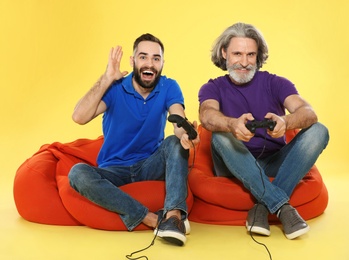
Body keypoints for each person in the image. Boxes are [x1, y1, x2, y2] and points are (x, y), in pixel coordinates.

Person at [198, 22, 329, 240]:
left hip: (274, 160)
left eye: (251, 54)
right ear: (224, 53)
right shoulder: (212, 87)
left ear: (258, 56)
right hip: (234, 163)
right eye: (237, 53)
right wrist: (232, 125)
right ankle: (282, 207)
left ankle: (261, 208)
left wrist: (286, 122)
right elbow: (207, 115)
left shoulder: (276, 82)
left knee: (319, 130)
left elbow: (308, 112)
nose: (244, 62)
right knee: (221, 136)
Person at [68, 33, 199, 246]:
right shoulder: (116, 87)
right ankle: (153, 219)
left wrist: (185, 134)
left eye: (156, 58)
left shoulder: (169, 86)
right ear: (133, 60)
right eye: (143, 57)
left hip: (149, 165)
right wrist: (107, 77)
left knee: (174, 143)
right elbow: (79, 117)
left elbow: (178, 121)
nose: (150, 63)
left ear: (162, 63)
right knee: (77, 173)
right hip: (114, 169)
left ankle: (174, 217)